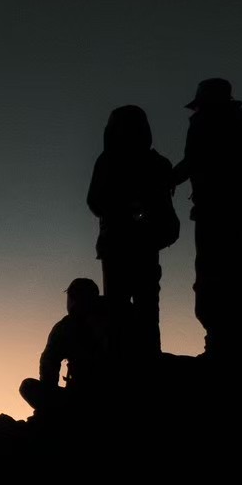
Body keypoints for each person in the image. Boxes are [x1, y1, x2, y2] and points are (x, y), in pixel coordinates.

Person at [173, 79, 242, 357]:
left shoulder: (203, 123)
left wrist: (165, 180)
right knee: (236, 276)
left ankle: (222, 346)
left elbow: (191, 162)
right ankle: (237, 343)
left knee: (211, 279)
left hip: (214, 214)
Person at [86, 105, 178, 358]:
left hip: (126, 249)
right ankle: (140, 366)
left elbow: (94, 201)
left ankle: (130, 368)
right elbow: (95, 201)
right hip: (133, 249)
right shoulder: (155, 163)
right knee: (138, 312)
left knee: (130, 313)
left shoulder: (115, 161)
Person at [19, 278, 111, 415]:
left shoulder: (67, 326)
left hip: (84, 398)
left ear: (73, 298)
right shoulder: (116, 314)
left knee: (27, 386)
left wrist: (48, 394)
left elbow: (49, 363)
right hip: (114, 394)